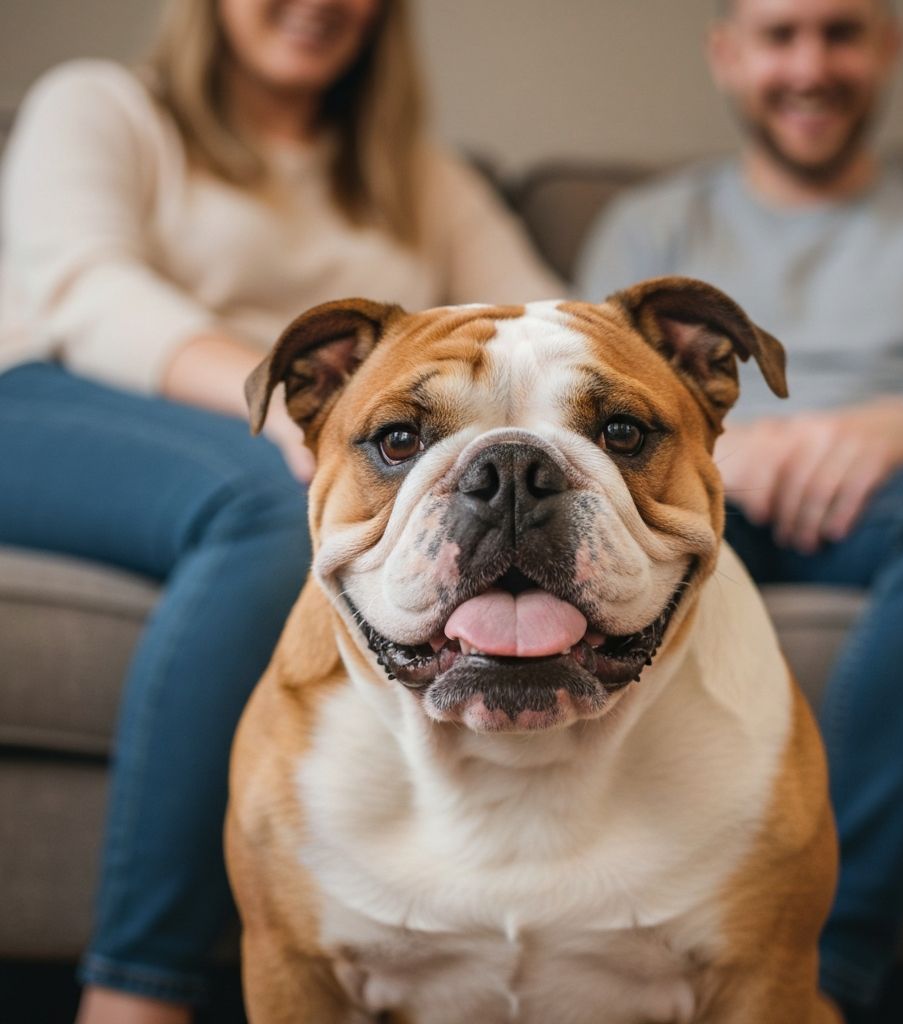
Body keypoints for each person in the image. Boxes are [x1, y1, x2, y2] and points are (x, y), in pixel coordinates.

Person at [0, 1, 561, 1021]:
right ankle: (133, 996)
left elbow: (551, 316)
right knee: (274, 514)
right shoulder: (104, 108)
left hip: (284, 421)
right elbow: (88, 292)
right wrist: (278, 413)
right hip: (47, 389)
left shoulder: (419, 176)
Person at [579, 0, 903, 1019]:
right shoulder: (653, 224)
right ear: (727, 56)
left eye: (841, 32)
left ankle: (824, 965)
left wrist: (901, 422)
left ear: (889, 49)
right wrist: (733, 446)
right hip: (703, 488)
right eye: (780, 35)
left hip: (898, 501)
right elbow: (584, 398)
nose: (809, 65)